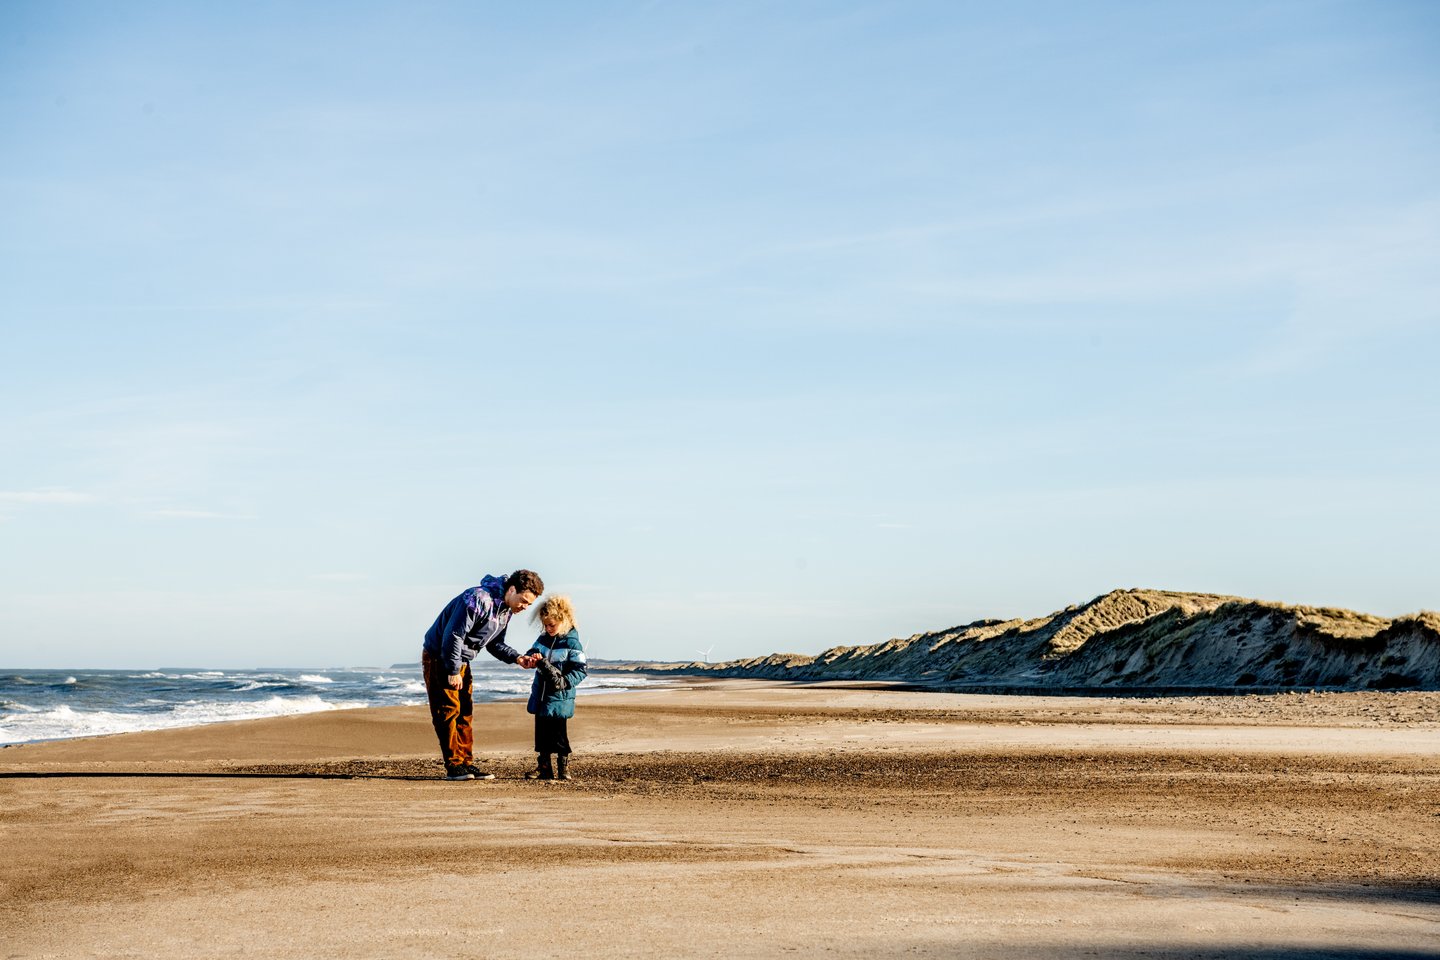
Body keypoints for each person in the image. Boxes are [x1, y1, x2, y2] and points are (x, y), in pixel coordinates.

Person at [421, 570, 544, 781]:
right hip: (440, 656)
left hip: (462, 660)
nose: (524, 607)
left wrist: (517, 658)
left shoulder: (505, 611)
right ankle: (454, 766)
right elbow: (454, 635)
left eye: (528, 605)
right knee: (448, 711)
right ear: (512, 590)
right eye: (523, 601)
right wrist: (452, 670)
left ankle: (466, 763)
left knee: (465, 712)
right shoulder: (478, 599)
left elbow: (495, 644)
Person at [521, 595, 587, 782]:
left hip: (560, 697)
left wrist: (565, 682)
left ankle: (563, 768)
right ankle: (544, 768)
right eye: (545, 625)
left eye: (552, 625)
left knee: (559, 735)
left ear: (563, 620)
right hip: (540, 695)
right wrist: (530, 658)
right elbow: (531, 652)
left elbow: (581, 670)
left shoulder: (572, 643)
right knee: (541, 734)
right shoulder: (542, 639)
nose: (548, 629)